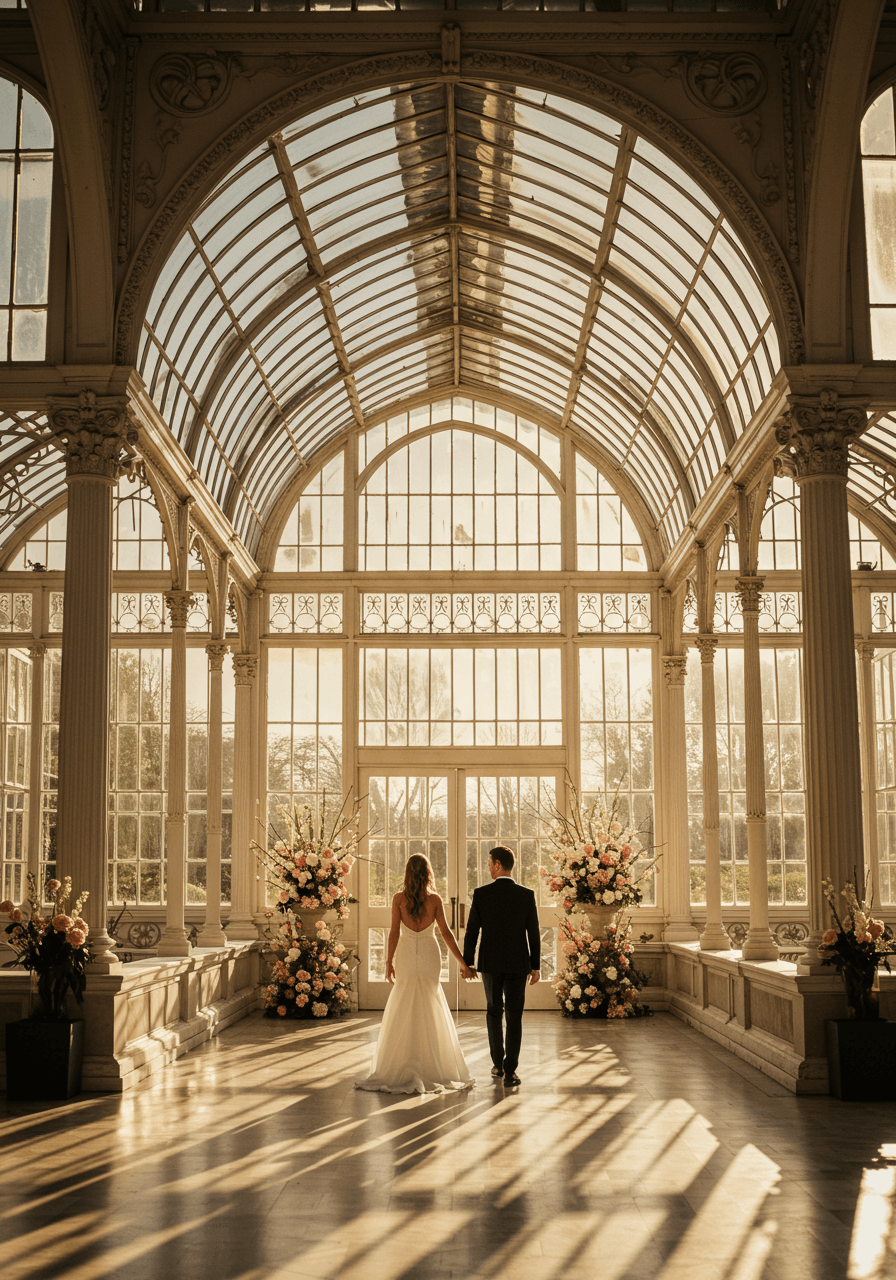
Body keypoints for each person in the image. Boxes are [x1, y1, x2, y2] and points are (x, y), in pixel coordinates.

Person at [355, 853, 476, 1094]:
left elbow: (394, 933)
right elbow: (446, 933)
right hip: (430, 955)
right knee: (430, 1000)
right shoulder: (434, 900)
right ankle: (434, 1063)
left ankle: (402, 1061)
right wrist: (463, 963)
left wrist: (389, 962)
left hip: (407, 955)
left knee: (405, 1000)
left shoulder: (399, 898)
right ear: (428, 873)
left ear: (408, 874)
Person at [463, 845, 540, 1088]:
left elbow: (472, 931)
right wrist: (535, 965)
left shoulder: (482, 893)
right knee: (514, 1016)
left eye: (489, 862)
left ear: (498, 865)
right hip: (518, 963)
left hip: (490, 963)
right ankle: (511, 1072)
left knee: (494, 1011)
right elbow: (534, 933)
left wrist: (468, 962)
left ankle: (498, 1063)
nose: (488, 866)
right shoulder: (526, 894)